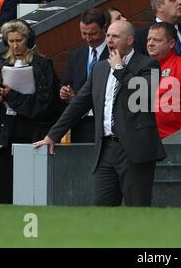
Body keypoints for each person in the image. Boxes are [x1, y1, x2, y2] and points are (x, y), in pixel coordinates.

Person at [34, 20, 166, 207]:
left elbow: (142, 96)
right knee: (100, 209)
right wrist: (53, 135)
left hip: (134, 149)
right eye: (109, 36)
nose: (110, 40)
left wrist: (120, 69)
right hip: (105, 149)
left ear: (129, 40)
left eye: (115, 36)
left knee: (138, 210)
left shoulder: (148, 64)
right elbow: (78, 104)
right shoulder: (100, 68)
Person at [0, 19, 62, 204]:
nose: (15, 45)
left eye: (19, 40)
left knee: (31, 190)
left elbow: (47, 105)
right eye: (11, 41)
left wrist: (11, 96)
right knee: (5, 190)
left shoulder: (41, 65)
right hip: (5, 135)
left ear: (28, 40)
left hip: (31, 132)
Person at [60, 8, 110, 143]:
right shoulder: (76, 55)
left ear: (104, 28)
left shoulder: (114, 52)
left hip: (106, 122)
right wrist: (65, 92)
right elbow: (68, 82)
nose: (88, 38)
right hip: (81, 123)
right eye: (84, 33)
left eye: (93, 34)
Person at [147, 21, 181, 138]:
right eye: (149, 39)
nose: (150, 44)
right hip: (148, 140)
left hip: (173, 139)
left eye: (156, 40)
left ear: (171, 43)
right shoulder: (143, 68)